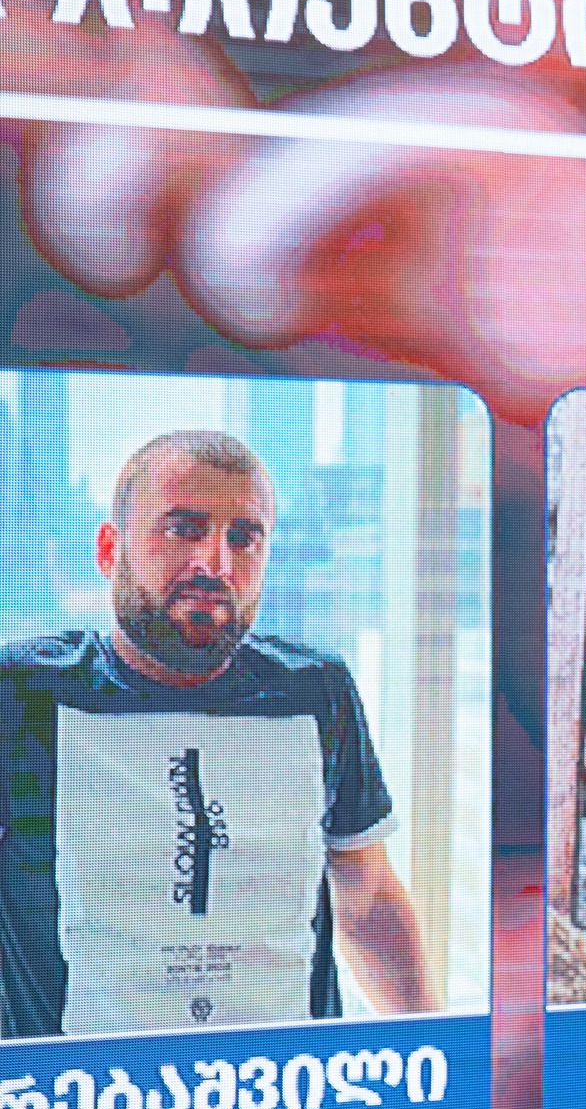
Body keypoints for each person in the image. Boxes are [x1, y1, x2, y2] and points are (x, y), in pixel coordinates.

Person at [0, 430, 438, 1038]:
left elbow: (365, 898)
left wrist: (444, 1055)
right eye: (184, 529)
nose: (216, 565)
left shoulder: (316, 691)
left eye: (244, 537)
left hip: (286, 1080)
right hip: (86, 1089)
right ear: (109, 549)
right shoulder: (23, 693)